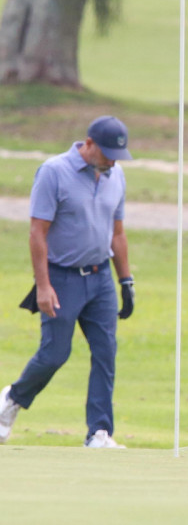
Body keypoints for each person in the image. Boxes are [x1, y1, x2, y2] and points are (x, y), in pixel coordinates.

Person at [0, 116, 137, 449]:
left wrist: (126, 280)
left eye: (116, 156)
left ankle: (99, 433)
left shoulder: (115, 175)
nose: (111, 161)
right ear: (88, 144)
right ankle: (10, 401)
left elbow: (117, 233)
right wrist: (43, 286)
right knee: (54, 354)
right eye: (106, 154)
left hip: (100, 276)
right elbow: (38, 233)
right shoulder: (53, 172)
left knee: (106, 352)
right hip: (62, 277)